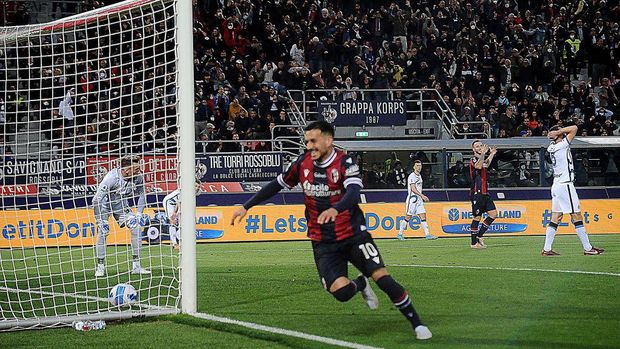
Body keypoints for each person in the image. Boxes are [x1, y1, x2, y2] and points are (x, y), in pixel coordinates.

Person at [231, 121, 432, 340]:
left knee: (382, 278)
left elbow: (354, 193)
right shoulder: (302, 163)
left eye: (314, 141)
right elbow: (276, 185)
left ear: (328, 140)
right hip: (323, 241)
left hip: (353, 234)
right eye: (306, 141)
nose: (309, 146)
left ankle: (417, 324)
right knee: (341, 293)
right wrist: (246, 206)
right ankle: (360, 284)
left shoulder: (345, 162)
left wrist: (336, 209)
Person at [541, 125, 604, 256]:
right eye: (560, 131)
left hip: (557, 184)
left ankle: (547, 249)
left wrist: (555, 132)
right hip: (565, 184)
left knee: (556, 217)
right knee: (576, 215)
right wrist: (558, 131)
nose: (563, 132)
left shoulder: (551, 147)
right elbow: (574, 128)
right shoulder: (561, 145)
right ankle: (588, 248)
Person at [93, 155, 151, 277]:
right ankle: (100, 267)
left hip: (121, 206)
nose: (139, 171)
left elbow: (142, 195)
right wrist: (100, 221)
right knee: (103, 232)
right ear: (126, 170)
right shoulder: (111, 178)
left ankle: (136, 266)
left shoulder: (138, 178)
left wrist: (139, 213)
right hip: (104, 206)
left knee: (136, 227)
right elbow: (96, 200)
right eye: (135, 169)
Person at [397, 160, 437, 240]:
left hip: (419, 200)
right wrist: (422, 196)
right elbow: (413, 188)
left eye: (420, 165)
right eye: (417, 166)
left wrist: (421, 197)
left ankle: (427, 234)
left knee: (423, 215)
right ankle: (400, 234)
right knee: (408, 217)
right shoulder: (412, 176)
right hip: (413, 199)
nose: (419, 167)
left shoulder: (419, 176)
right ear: (414, 167)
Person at [469, 140, 497, 249]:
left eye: (481, 145)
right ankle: (473, 243)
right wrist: (484, 154)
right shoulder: (473, 159)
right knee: (477, 217)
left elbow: (486, 164)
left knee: (493, 214)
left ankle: (480, 235)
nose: (480, 147)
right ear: (473, 149)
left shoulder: (482, 158)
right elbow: (479, 166)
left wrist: (491, 154)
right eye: (477, 146)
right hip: (477, 192)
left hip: (485, 192)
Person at [163, 179, 202, 250]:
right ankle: (174, 243)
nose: (197, 188)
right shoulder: (185, 191)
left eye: (198, 186)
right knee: (173, 221)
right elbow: (179, 202)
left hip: (180, 204)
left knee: (183, 224)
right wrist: (175, 213)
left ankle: (179, 239)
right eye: (195, 186)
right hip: (169, 202)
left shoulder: (197, 192)